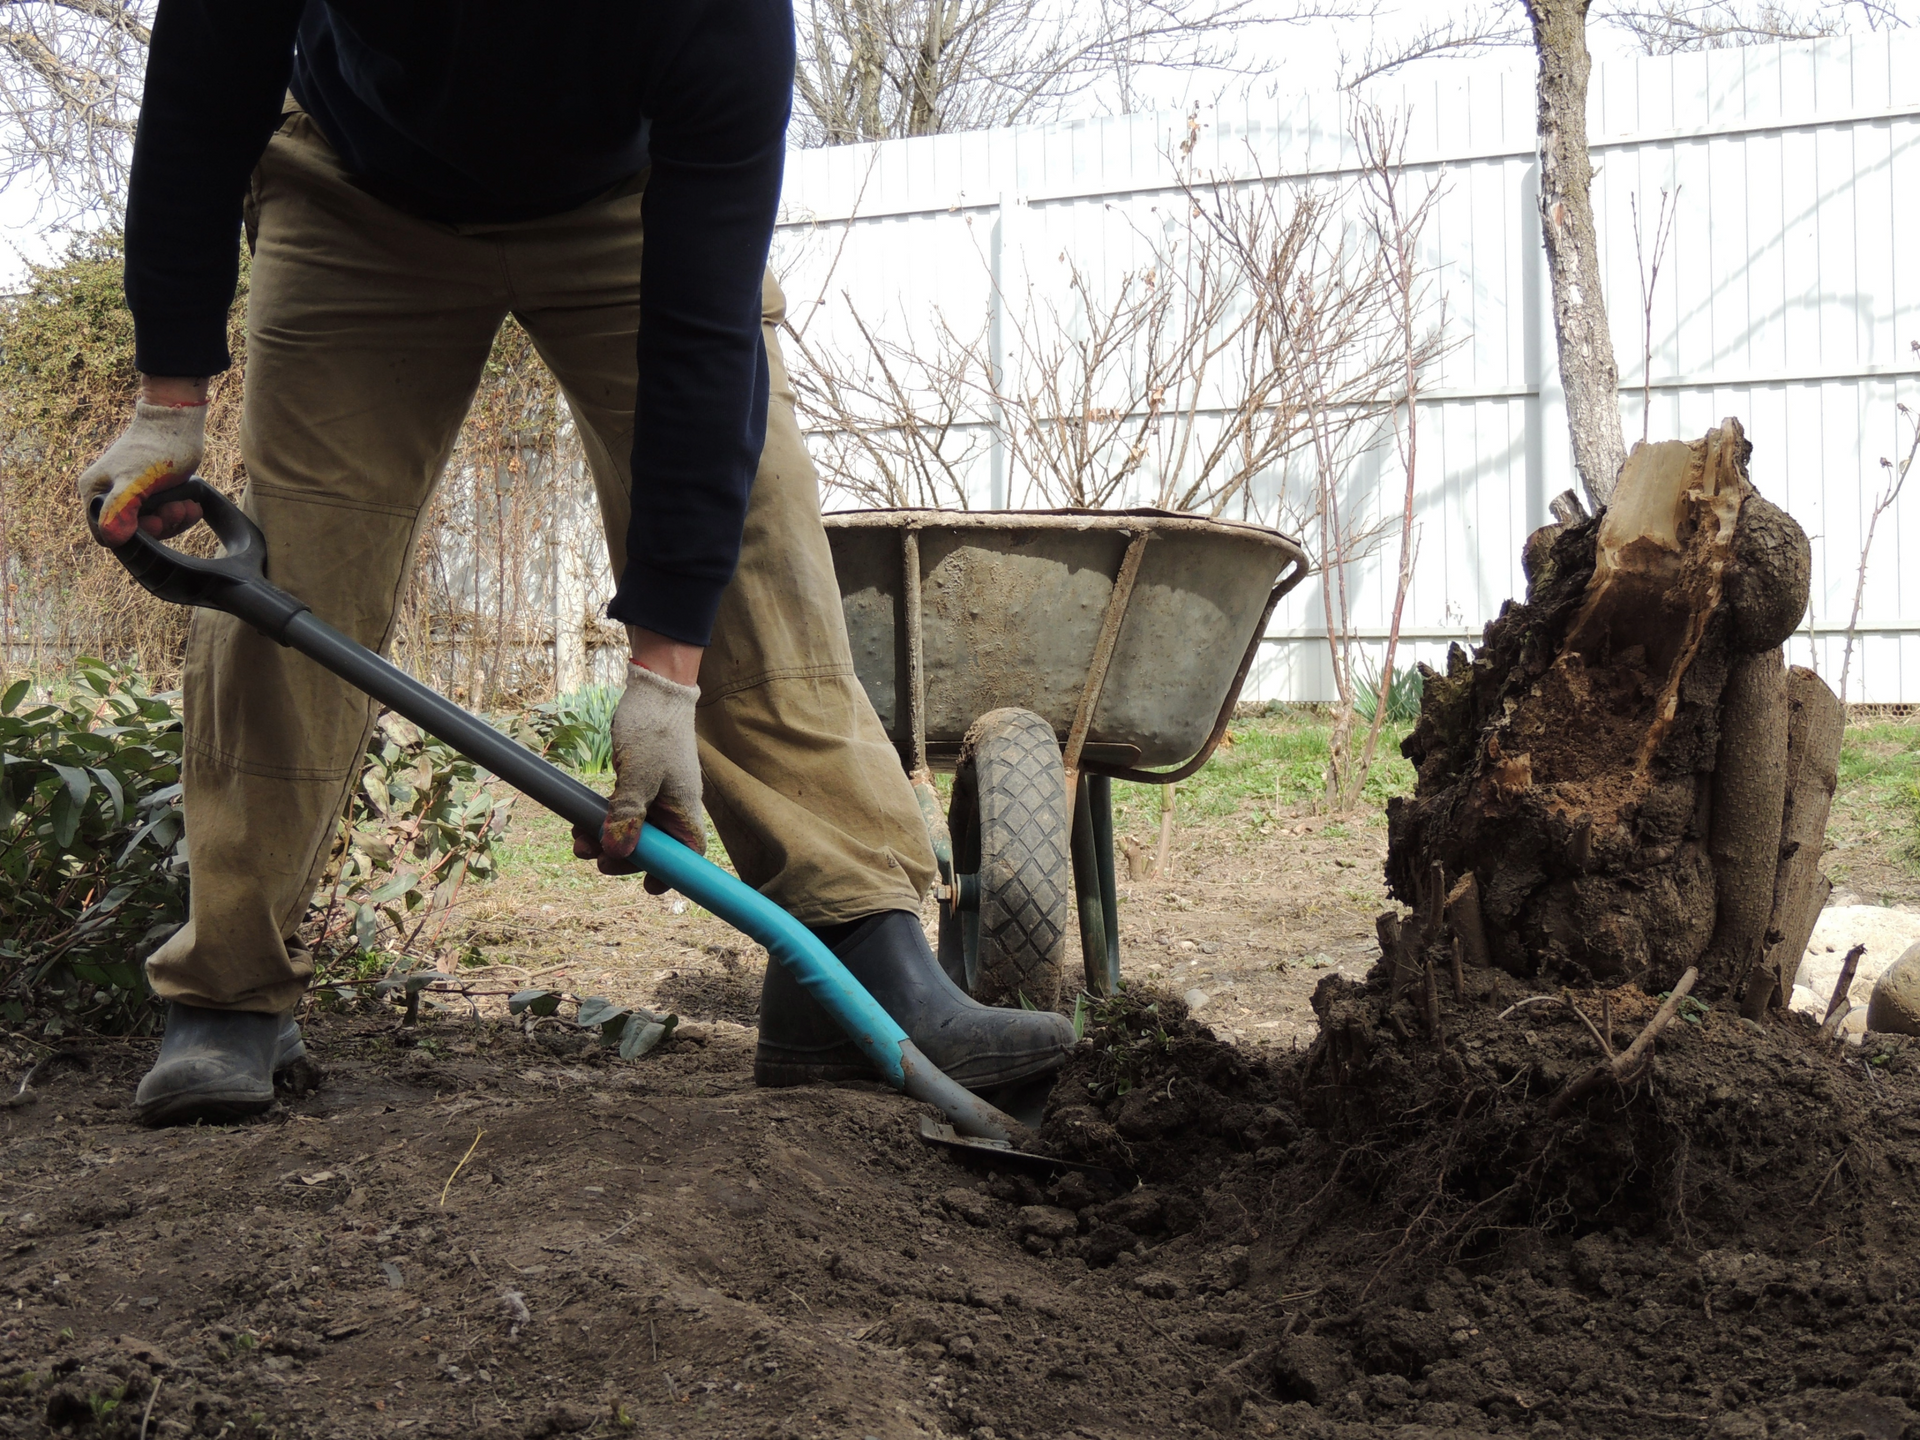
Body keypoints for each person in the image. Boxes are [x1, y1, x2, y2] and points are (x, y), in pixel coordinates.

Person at [79, 0, 1074, 1127]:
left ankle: (855, 965)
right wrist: (170, 397)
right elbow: (203, 93)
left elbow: (703, 342)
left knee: (756, 535)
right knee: (300, 561)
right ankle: (229, 990)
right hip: (359, 195)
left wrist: (665, 678)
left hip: (627, 202)